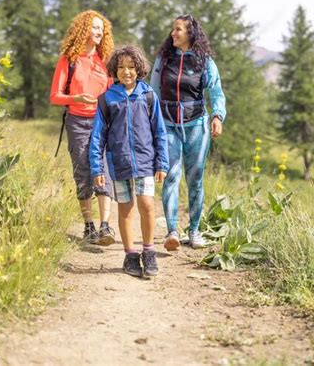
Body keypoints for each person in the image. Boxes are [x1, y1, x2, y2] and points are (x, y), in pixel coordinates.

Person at [89, 45, 169, 277]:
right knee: (125, 209)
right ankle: (130, 255)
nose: (126, 72)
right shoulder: (106, 99)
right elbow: (97, 136)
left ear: (139, 69)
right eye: (121, 67)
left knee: (146, 205)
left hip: (145, 161)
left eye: (131, 67)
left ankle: (149, 252)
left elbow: (159, 132)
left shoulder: (148, 95)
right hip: (119, 163)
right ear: (114, 69)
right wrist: (97, 167)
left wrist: (162, 163)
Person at [150, 14, 226, 250]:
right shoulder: (163, 59)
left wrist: (217, 116)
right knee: (170, 175)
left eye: (178, 30)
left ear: (191, 34)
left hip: (197, 126)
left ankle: (194, 231)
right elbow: (153, 91)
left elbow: (216, 92)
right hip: (168, 124)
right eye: (173, 29)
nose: (173, 33)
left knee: (195, 179)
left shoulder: (205, 62)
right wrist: (151, 121)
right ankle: (172, 231)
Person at [50, 10, 116, 246]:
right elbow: (55, 96)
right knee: (83, 173)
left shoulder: (106, 61)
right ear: (83, 30)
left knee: (103, 171)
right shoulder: (68, 59)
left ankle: (105, 227)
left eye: (101, 29)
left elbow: (112, 94)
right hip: (77, 123)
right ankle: (88, 226)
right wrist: (77, 98)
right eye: (94, 27)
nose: (98, 32)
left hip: (101, 123)